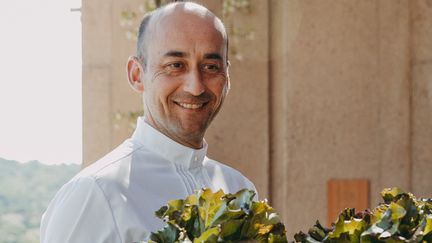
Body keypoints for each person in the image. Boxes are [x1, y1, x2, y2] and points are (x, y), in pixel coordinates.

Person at [40, 1, 257, 243]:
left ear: (227, 78)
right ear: (137, 75)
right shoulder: (95, 194)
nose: (195, 87)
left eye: (210, 67)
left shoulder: (241, 191)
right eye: (175, 66)